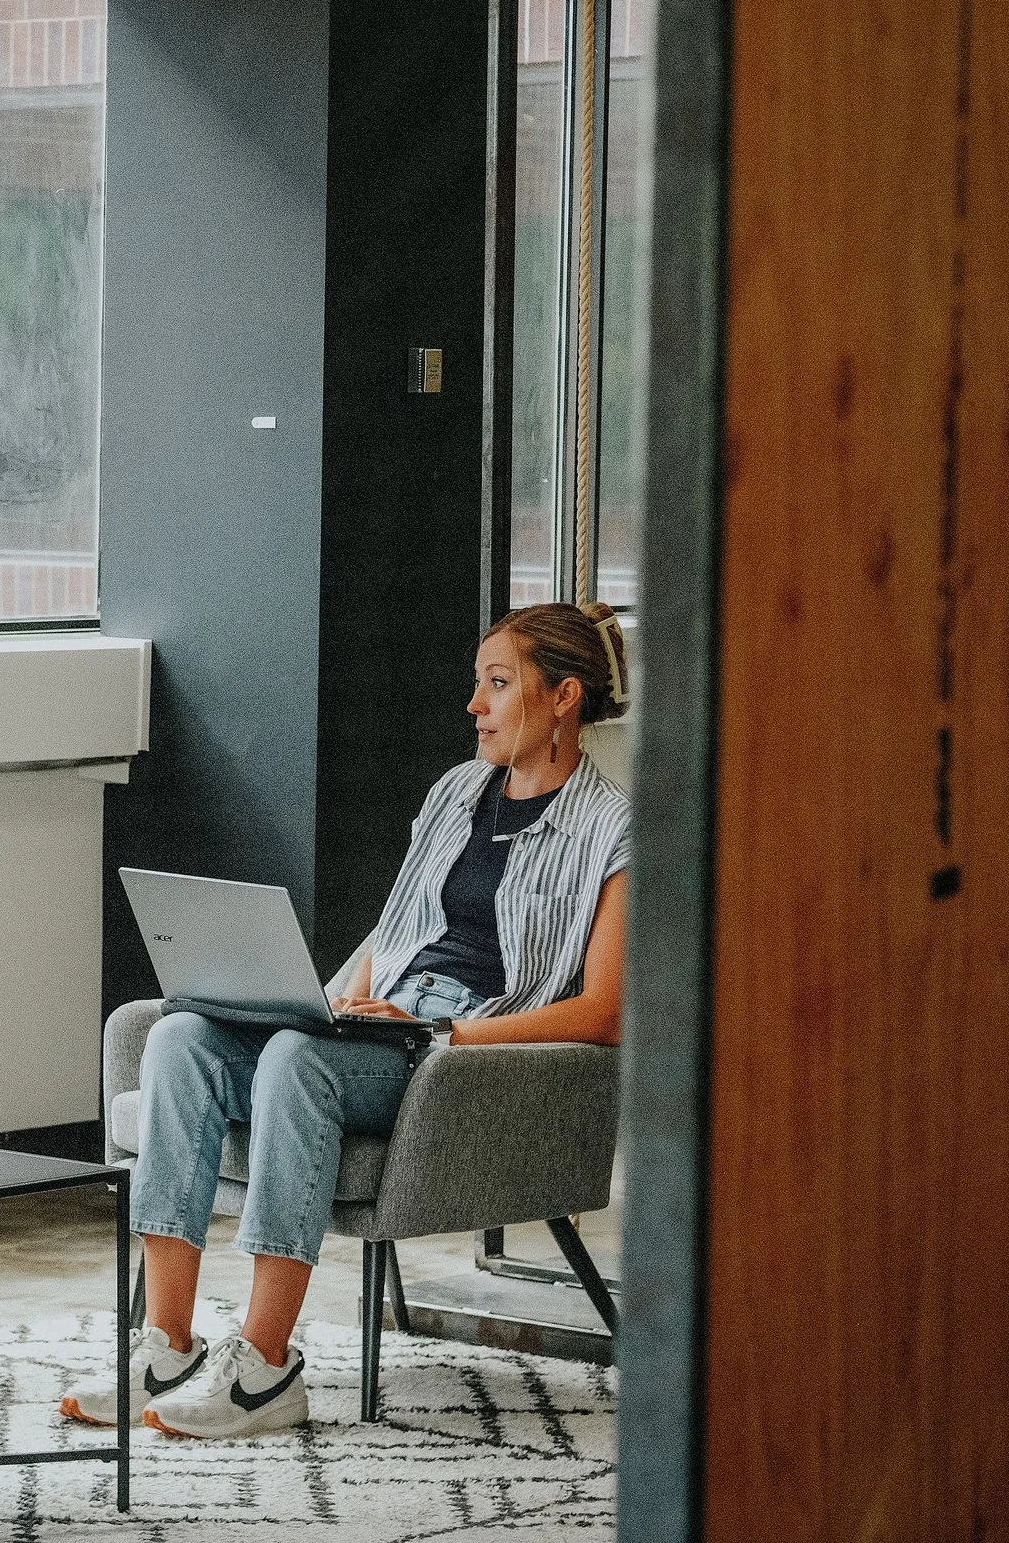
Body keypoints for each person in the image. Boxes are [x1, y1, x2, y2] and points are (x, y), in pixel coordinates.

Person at [64, 601, 633, 1439]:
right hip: (373, 1023)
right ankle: (166, 1342)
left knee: (297, 1060)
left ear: (564, 697)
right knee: (179, 1036)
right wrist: (324, 999)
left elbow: (604, 1011)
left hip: (459, 1054)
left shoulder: (614, 826)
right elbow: (397, 929)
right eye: (478, 683)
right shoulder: (455, 793)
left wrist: (440, 1034)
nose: (475, 704)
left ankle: (264, 1367)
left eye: (498, 683)